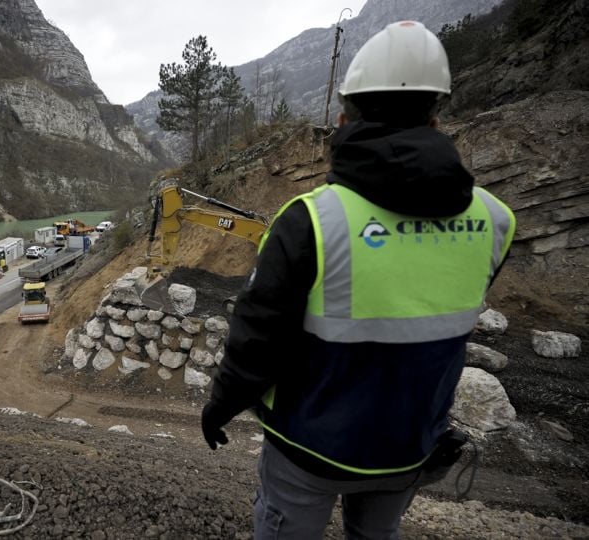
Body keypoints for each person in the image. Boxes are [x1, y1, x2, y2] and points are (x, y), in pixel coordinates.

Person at [201, 20, 516, 540]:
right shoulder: (495, 221)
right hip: (409, 443)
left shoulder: (311, 221)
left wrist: (223, 404)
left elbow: (258, 335)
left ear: (345, 117)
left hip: (308, 447)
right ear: (437, 120)